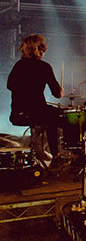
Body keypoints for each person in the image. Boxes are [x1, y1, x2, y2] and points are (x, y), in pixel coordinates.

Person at [7, 34, 64, 166]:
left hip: (17, 114)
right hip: (37, 112)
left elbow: (9, 85)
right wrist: (60, 91)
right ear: (40, 50)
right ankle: (57, 155)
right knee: (60, 116)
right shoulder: (44, 67)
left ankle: (40, 151)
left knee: (49, 115)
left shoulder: (18, 65)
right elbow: (57, 94)